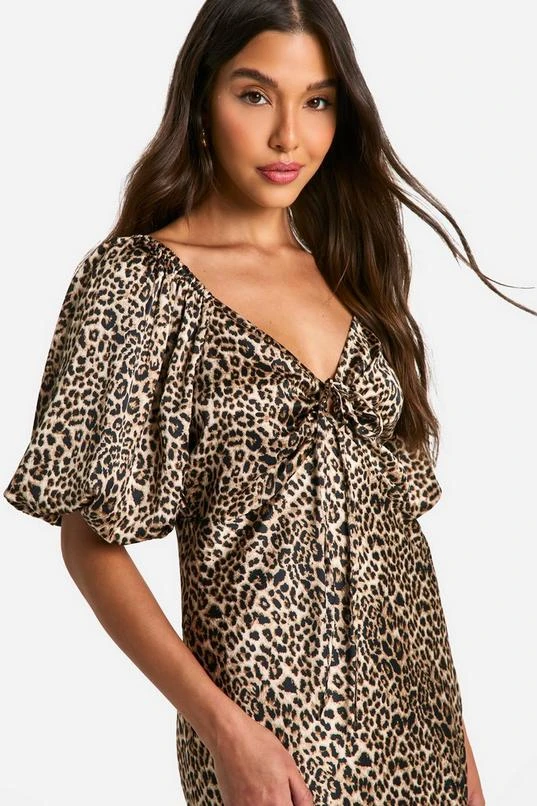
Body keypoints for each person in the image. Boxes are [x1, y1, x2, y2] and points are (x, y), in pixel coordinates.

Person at [5, 1, 533, 803]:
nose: (289, 136)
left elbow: (399, 552)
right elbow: (89, 543)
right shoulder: (137, 284)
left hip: (417, 727)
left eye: (316, 101)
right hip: (269, 737)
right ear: (201, 100)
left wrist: (461, 756)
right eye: (255, 95)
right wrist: (224, 732)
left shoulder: (351, 275)